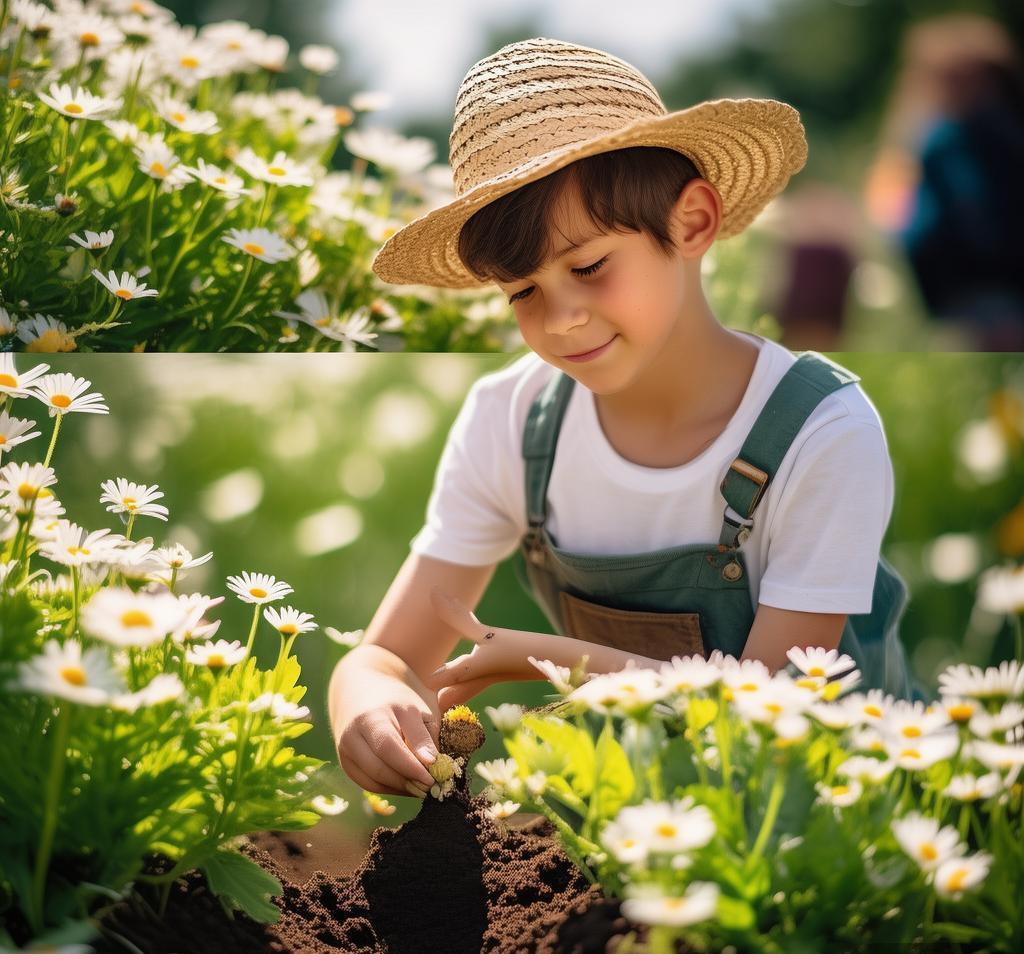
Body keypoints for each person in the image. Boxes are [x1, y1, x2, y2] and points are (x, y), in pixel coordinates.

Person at [328, 37, 916, 801]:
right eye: (523, 293)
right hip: (658, 820)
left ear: (693, 222)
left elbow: (775, 720)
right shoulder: (514, 423)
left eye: (588, 267)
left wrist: (546, 657)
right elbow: (383, 659)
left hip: (848, 831)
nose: (562, 320)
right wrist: (366, 702)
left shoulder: (821, 432)